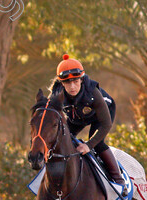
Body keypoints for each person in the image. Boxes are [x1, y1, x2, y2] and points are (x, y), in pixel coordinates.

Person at [49, 54, 126, 187]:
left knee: (98, 143)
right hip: (76, 117)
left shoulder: (93, 92)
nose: (72, 86)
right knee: (62, 139)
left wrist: (88, 145)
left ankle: (118, 180)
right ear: (61, 83)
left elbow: (106, 124)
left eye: (76, 81)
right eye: (67, 82)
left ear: (82, 79)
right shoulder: (56, 94)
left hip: (100, 116)